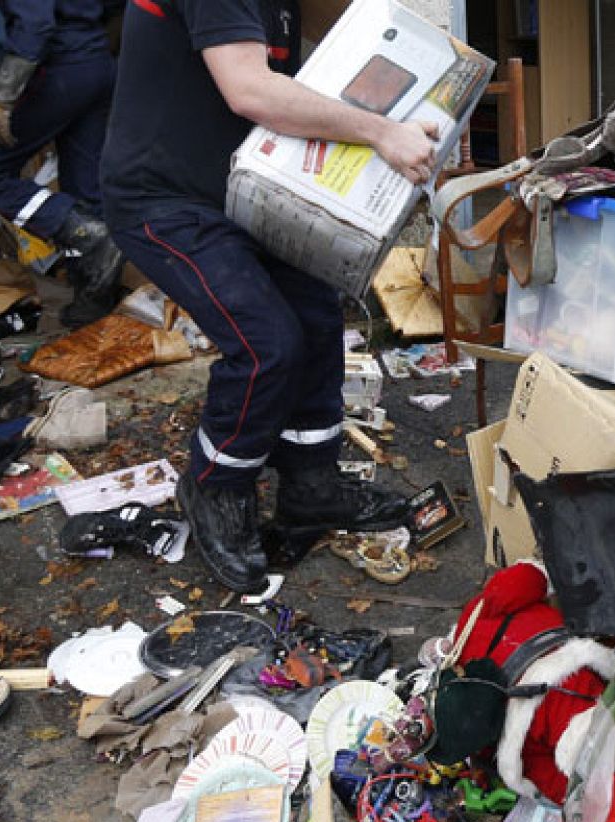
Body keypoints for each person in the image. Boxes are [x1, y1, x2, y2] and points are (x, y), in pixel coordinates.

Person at [102, 0, 439, 593]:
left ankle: (312, 488)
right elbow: (250, 90)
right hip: (164, 199)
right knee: (265, 343)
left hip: (245, 188)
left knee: (312, 319)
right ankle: (215, 486)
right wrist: (384, 134)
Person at [0, 0, 123, 327]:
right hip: (96, 62)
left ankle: (86, 236)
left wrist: (3, 97)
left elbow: (35, 23)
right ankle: (94, 295)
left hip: (56, 66)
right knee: (84, 184)